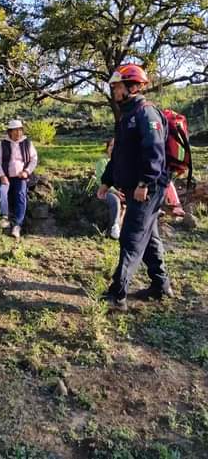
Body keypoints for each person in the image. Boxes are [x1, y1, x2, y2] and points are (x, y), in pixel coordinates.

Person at [97, 63, 173, 311]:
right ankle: (160, 286)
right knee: (148, 237)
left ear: (131, 87)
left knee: (131, 238)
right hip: (134, 188)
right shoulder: (127, 115)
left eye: (117, 87)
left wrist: (144, 183)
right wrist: (106, 181)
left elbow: (155, 152)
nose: (114, 92)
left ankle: (117, 296)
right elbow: (119, 154)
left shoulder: (146, 113)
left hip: (147, 188)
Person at [0, 119, 38, 239]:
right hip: (6, 176)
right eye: (15, 130)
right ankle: (4, 217)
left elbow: (34, 159)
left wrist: (26, 171)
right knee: (2, 191)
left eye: (20, 130)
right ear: (10, 132)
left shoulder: (27, 143)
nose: (18, 133)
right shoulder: (3, 143)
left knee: (21, 194)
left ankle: (18, 225)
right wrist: (2, 175)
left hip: (20, 176)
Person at [96, 138, 125, 239]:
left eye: (115, 146)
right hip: (107, 191)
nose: (113, 148)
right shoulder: (103, 161)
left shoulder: (122, 162)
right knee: (115, 200)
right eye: (111, 146)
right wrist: (115, 191)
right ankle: (114, 227)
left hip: (121, 191)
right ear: (107, 148)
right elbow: (100, 180)